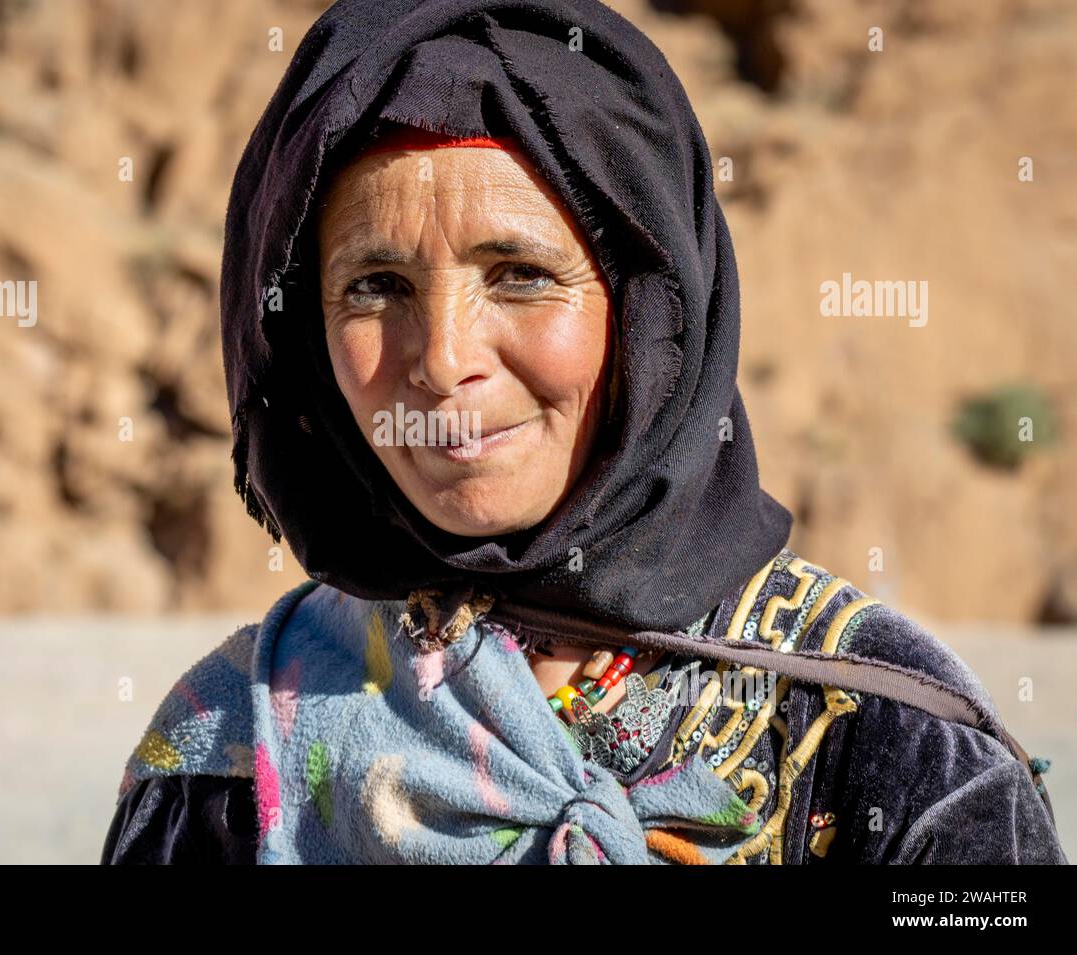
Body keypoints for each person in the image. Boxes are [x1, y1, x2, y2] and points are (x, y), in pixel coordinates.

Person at [102, 0, 1066, 864]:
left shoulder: (890, 745)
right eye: (375, 286)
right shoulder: (227, 748)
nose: (441, 360)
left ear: (650, 316)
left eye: (518, 274)